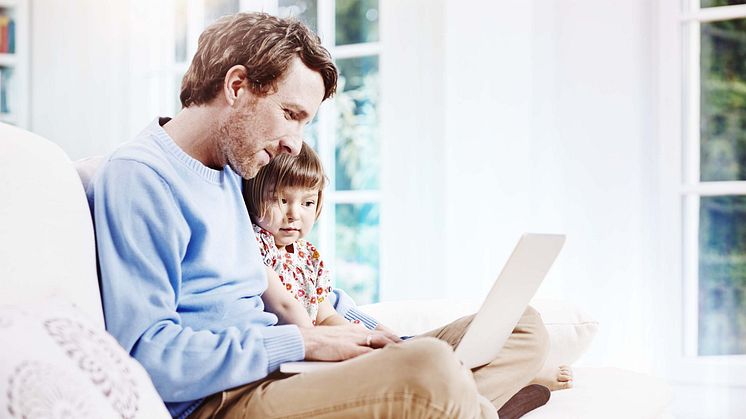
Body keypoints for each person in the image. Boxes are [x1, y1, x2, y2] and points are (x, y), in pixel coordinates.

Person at [89, 11, 553, 419]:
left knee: (522, 326)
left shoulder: (230, 169)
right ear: (236, 86)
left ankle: (453, 406)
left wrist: (368, 334)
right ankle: (473, 407)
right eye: (290, 114)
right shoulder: (142, 178)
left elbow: (286, 289)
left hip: (283, 370)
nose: (294, 142)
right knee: (431, 367)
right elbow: (145, 355)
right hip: (225, 398)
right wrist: (305, 343)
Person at [243, 142, 398, 337]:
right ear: (252, 196)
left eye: (307, 203)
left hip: (319, 340)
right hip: (295, 346)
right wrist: (321, 341)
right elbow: (284, 306)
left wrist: (358, 337)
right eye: (280, 200)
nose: (294, 214)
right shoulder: (256, 245)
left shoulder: (308, 256)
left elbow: (326, 316)